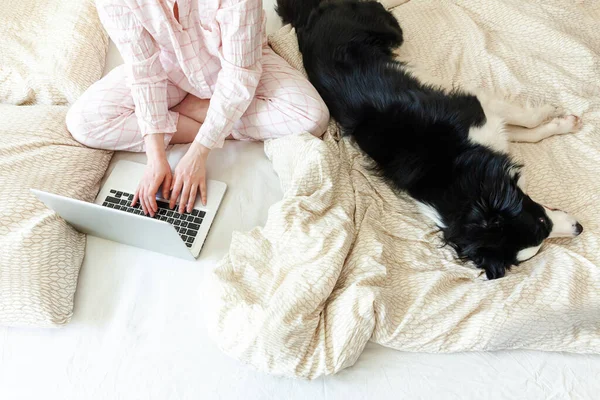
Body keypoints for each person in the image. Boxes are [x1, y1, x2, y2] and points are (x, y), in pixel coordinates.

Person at [67, 0, 329, 217]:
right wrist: (155, 156)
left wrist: (199, 152)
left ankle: (197, 111)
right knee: (84, 121)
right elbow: (143, 70)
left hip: (234, 66)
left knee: (311, 117)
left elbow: (240, 75)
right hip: (168, 69)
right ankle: (203, 113)